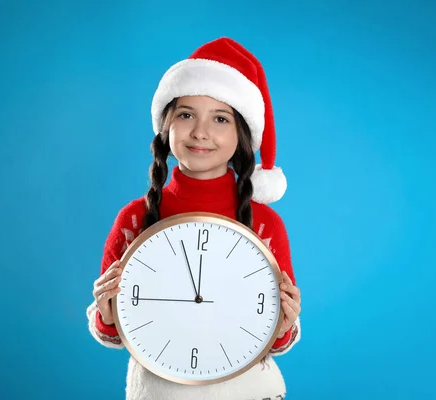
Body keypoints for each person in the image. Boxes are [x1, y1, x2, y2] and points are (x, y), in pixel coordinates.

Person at [86, 37, 302, 400]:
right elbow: (111, 332)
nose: (200, 132)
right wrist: (107, 312)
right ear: (166, 126)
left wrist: (284, 322)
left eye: (220, 119)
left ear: (242, 135)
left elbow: (277, 341)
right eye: (186, 114)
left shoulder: (266, 224)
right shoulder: (135, 218)